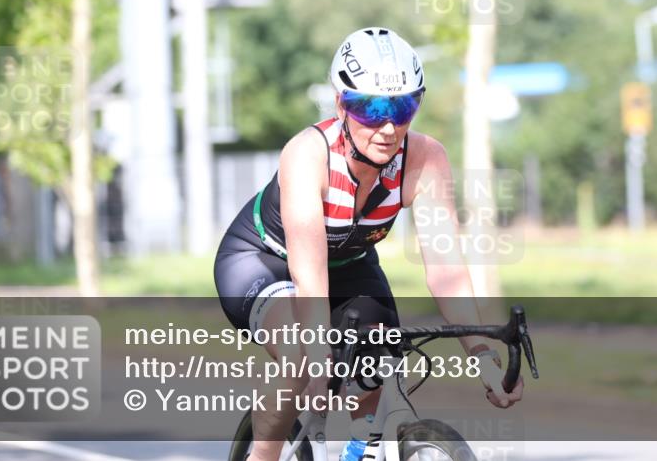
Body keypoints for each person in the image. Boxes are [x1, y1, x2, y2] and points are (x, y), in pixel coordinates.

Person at [214, 27, 524, 461]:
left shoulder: (426, 158)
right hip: (265, 261)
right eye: (372, 108)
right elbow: (309, 276)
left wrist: (482, 355)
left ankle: (360, 449)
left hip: (350, 263)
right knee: (301, 355)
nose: (389, 125)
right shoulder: (308, 155)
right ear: (341, 103)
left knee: (378, 354)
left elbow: (448, 270)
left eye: (404, 106)